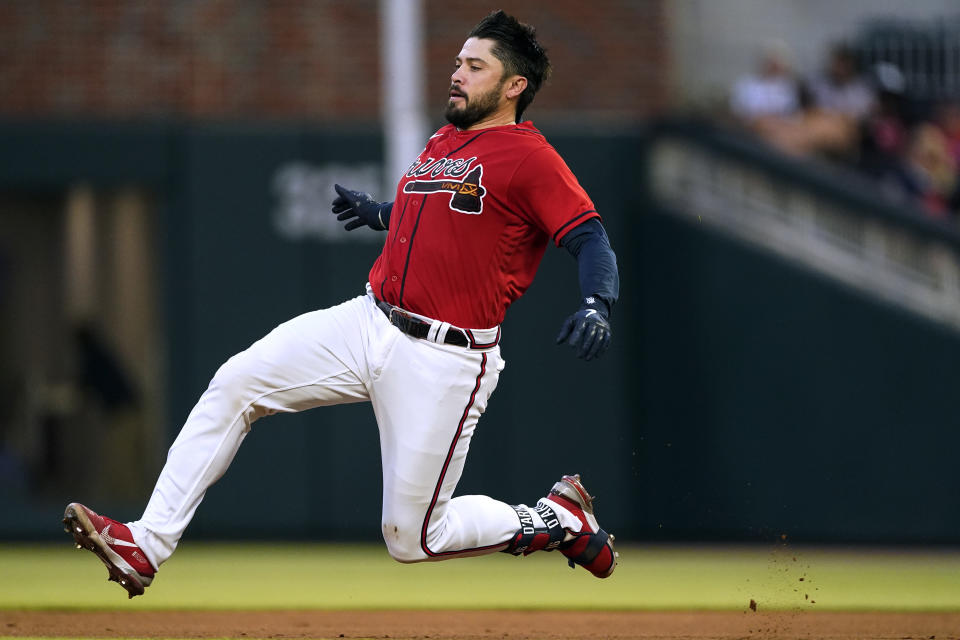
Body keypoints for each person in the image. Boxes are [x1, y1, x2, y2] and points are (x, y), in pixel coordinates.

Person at [63, 10, 620, 599]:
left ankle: (559, 521)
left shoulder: (529, 157)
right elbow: (440, 214)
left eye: (475, 66)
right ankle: (144, 545)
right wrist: (382, 213)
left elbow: (589, 236)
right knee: (236, 383)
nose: (457, 74)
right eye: (458, 62)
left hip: (444, 358)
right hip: (368, 320)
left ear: (515, 87)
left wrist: (597, 302)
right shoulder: (445, 140)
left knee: (413, 538)